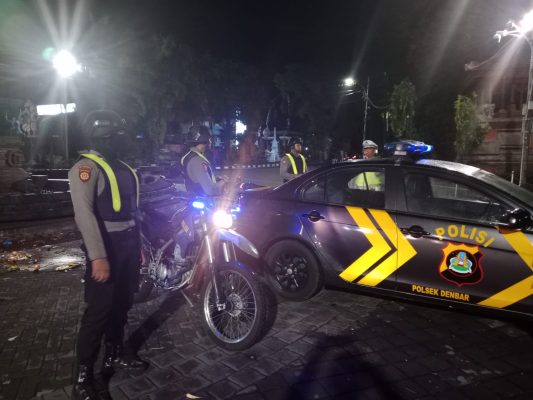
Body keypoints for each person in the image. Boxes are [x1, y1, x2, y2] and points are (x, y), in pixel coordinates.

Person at [69, 110, 148, 400]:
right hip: (106, 247)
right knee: (98, 312)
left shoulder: (122, 167)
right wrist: (98, 256)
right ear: (103, 135)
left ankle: (114, 354)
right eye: (115, 135)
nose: (120, 140)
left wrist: (139, 247)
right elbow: (84, 215)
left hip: (128, 244)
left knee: (122, 304)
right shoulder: (85, 168)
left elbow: (133, 212)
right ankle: (83, 377)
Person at [181, 125, 228, 196]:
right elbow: (211, 190)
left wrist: (216, 179)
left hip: (193, 197)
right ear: (204, 140)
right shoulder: (197, 161)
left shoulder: (189, 156)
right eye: (209, 139)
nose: (210, 142)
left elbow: (197, 178)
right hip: (204, 199)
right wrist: (224, 181)